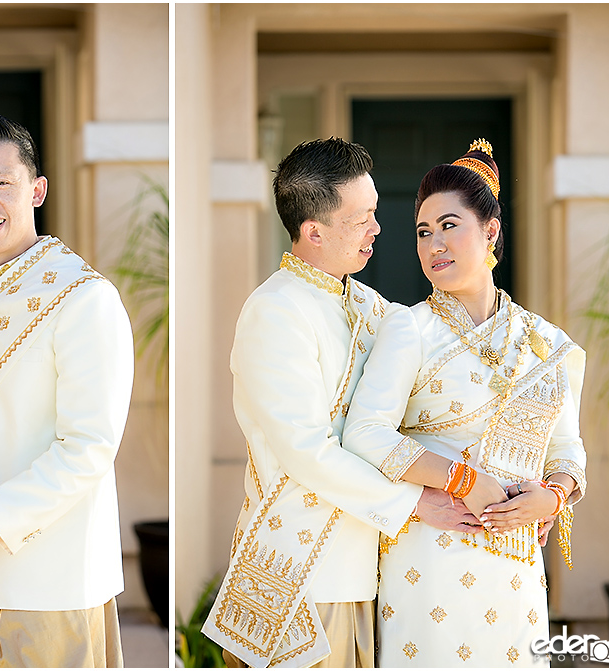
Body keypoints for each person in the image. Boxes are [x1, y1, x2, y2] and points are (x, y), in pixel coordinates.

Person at [202, 138, 485, 668]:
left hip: (363, 567)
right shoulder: (275, 310)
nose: (378, 229)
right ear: (313, 231)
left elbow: (438, 384)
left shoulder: (368, 305)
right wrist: (415, 503)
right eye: (362, 219)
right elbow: (305, 449)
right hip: (299, 577)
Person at [343, 139, 587, 667]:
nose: (434, 244)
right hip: (430, 557)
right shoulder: (409, 329)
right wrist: (464, 479)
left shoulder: (545, 342)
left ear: (491, 231)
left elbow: (568, 451)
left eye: (449, 225)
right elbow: (365, 432)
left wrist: (555, 496)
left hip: (518, 567)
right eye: (423, 232)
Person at [0, 102, 134, 667]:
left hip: (50, 580)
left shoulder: (87, 297)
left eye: (1, 183)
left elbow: (89, 447)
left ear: (36, 190)